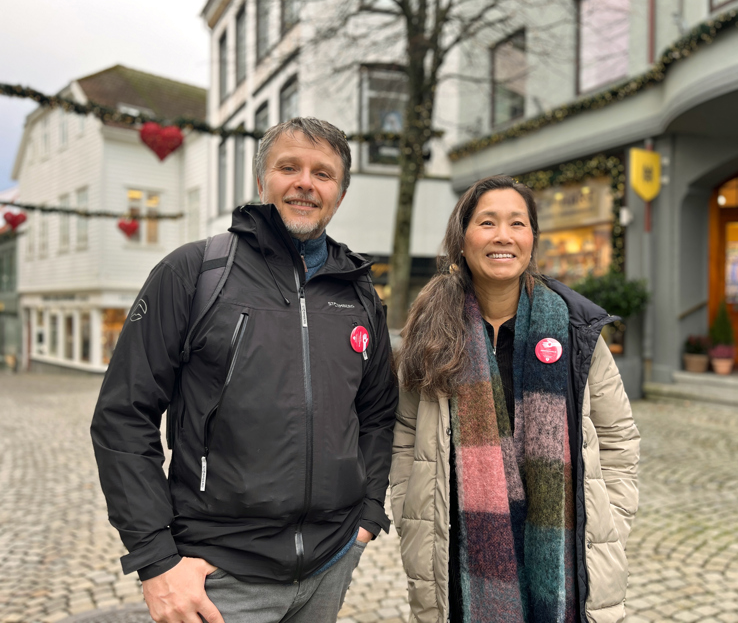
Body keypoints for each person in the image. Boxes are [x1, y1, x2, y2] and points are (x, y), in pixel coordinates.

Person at [91, 117, 398, 623]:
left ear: (340, 193)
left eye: (323, 173)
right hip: (220, 577)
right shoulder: (195, 272)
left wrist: (366, 515)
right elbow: (124, 416)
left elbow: (378, 412)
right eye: (289, 166)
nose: (305, 182)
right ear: (262, 181)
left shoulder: (358, 290)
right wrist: (155, 560)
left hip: (329, 563)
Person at [391, 175, 640, 623]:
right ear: (462, 238)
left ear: (531, 239)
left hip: (565, 559)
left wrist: (608, 521)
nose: (502, 236)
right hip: (459, 561)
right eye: (487, 222)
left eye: (517, 223)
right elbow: (404, 438)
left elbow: (619, 438)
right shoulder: (430, 335)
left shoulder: (576, 332)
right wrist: (415, 517)